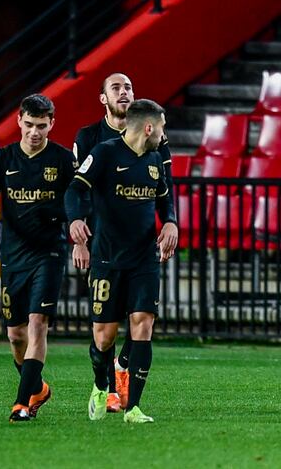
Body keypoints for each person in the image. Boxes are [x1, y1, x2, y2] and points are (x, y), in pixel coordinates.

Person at [65, 98, 177, 424]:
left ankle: (134, 408)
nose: (164, 133)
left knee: (143, 324)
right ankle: (102, 386)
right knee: (104, 335)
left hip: (144, 258)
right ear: (148, 127)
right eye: (162, 126)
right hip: (107, 258)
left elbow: (164, 199)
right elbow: (74, 189)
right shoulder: (104, 153)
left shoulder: (155, 159)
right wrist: (74, 220)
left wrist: (170, 221)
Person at [0, 94, 76, 422]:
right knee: (15, 335)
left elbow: (76, 203)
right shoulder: (3, 158)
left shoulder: (61, 159)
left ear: (51, 124)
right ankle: (38, 388)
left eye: (41, 126)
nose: (34, 132)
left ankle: (21, 403)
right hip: (13, 255)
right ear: (19, 121)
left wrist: (55, 213)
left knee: (37, 324)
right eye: (29, 125)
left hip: (49, 253)